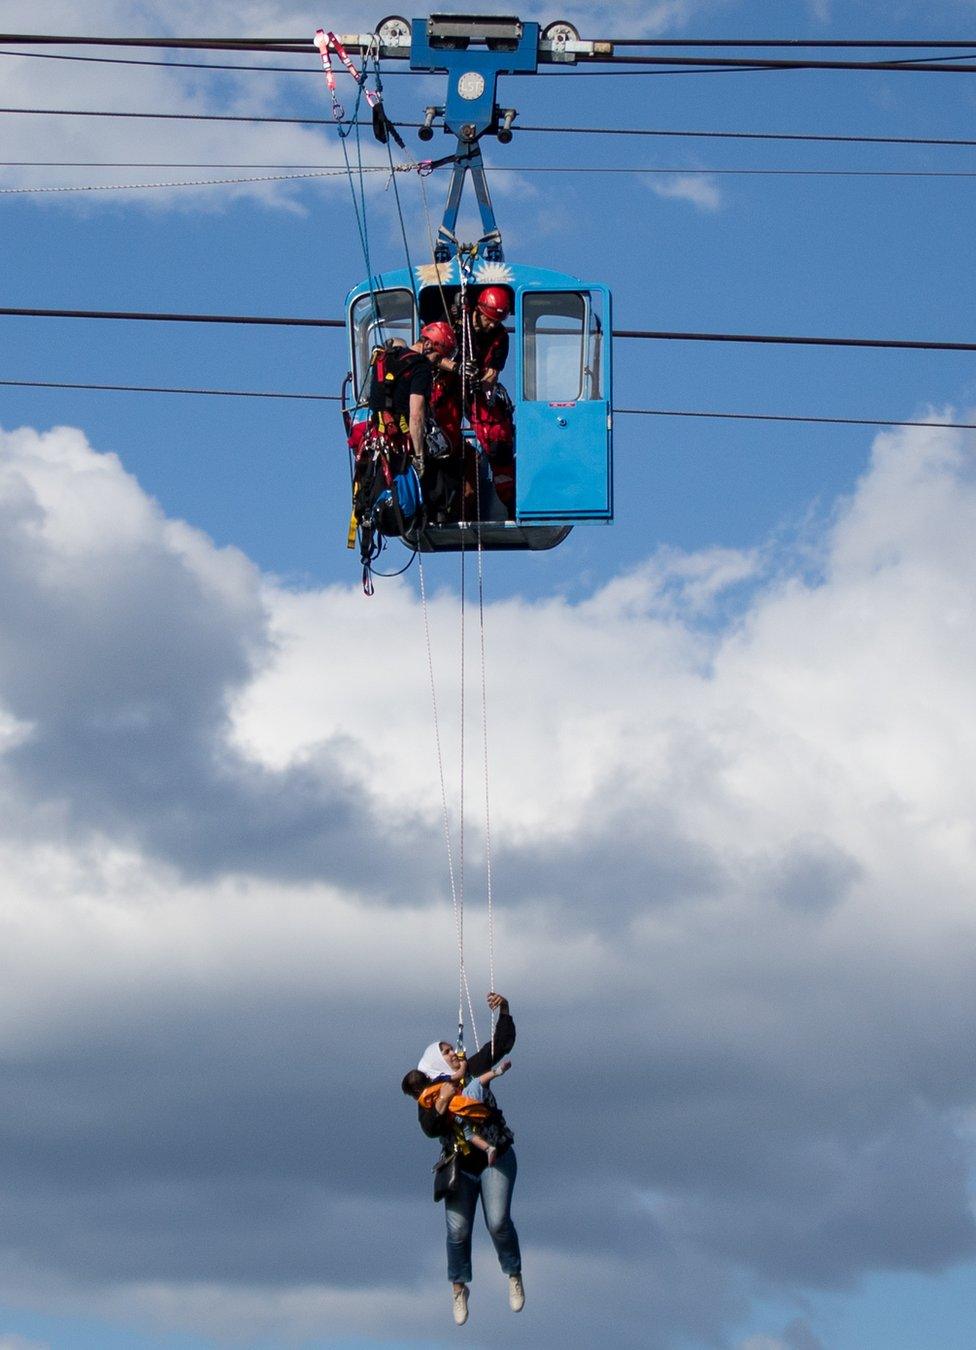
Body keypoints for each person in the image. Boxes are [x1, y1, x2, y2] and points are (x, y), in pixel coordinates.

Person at [401, 992, 524, 1327]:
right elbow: (430, 1128)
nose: (453, 1054)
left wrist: (505, 1009)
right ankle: (459, 1288)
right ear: (434, 1063)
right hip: (461, 1165)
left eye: (451, 1049)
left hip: (495, 1156)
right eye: (445, 1052)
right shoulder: (430, 1096)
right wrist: (446, 1095)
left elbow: (503, 1042)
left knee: (498, 1222)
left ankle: (513, 1273)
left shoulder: (475, 1068)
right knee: (458, 1232)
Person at [413, 1058, 512, 1165]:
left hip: (457, 1114)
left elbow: (435, 1113)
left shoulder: (424, 1101)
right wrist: (463, 1064)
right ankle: (496, 1072)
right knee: (477, 1081)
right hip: (466, 1098)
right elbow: (459, 1075)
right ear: (427, 1077)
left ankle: (488, 1148)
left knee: (469, 1135)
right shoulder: (439, 1080)